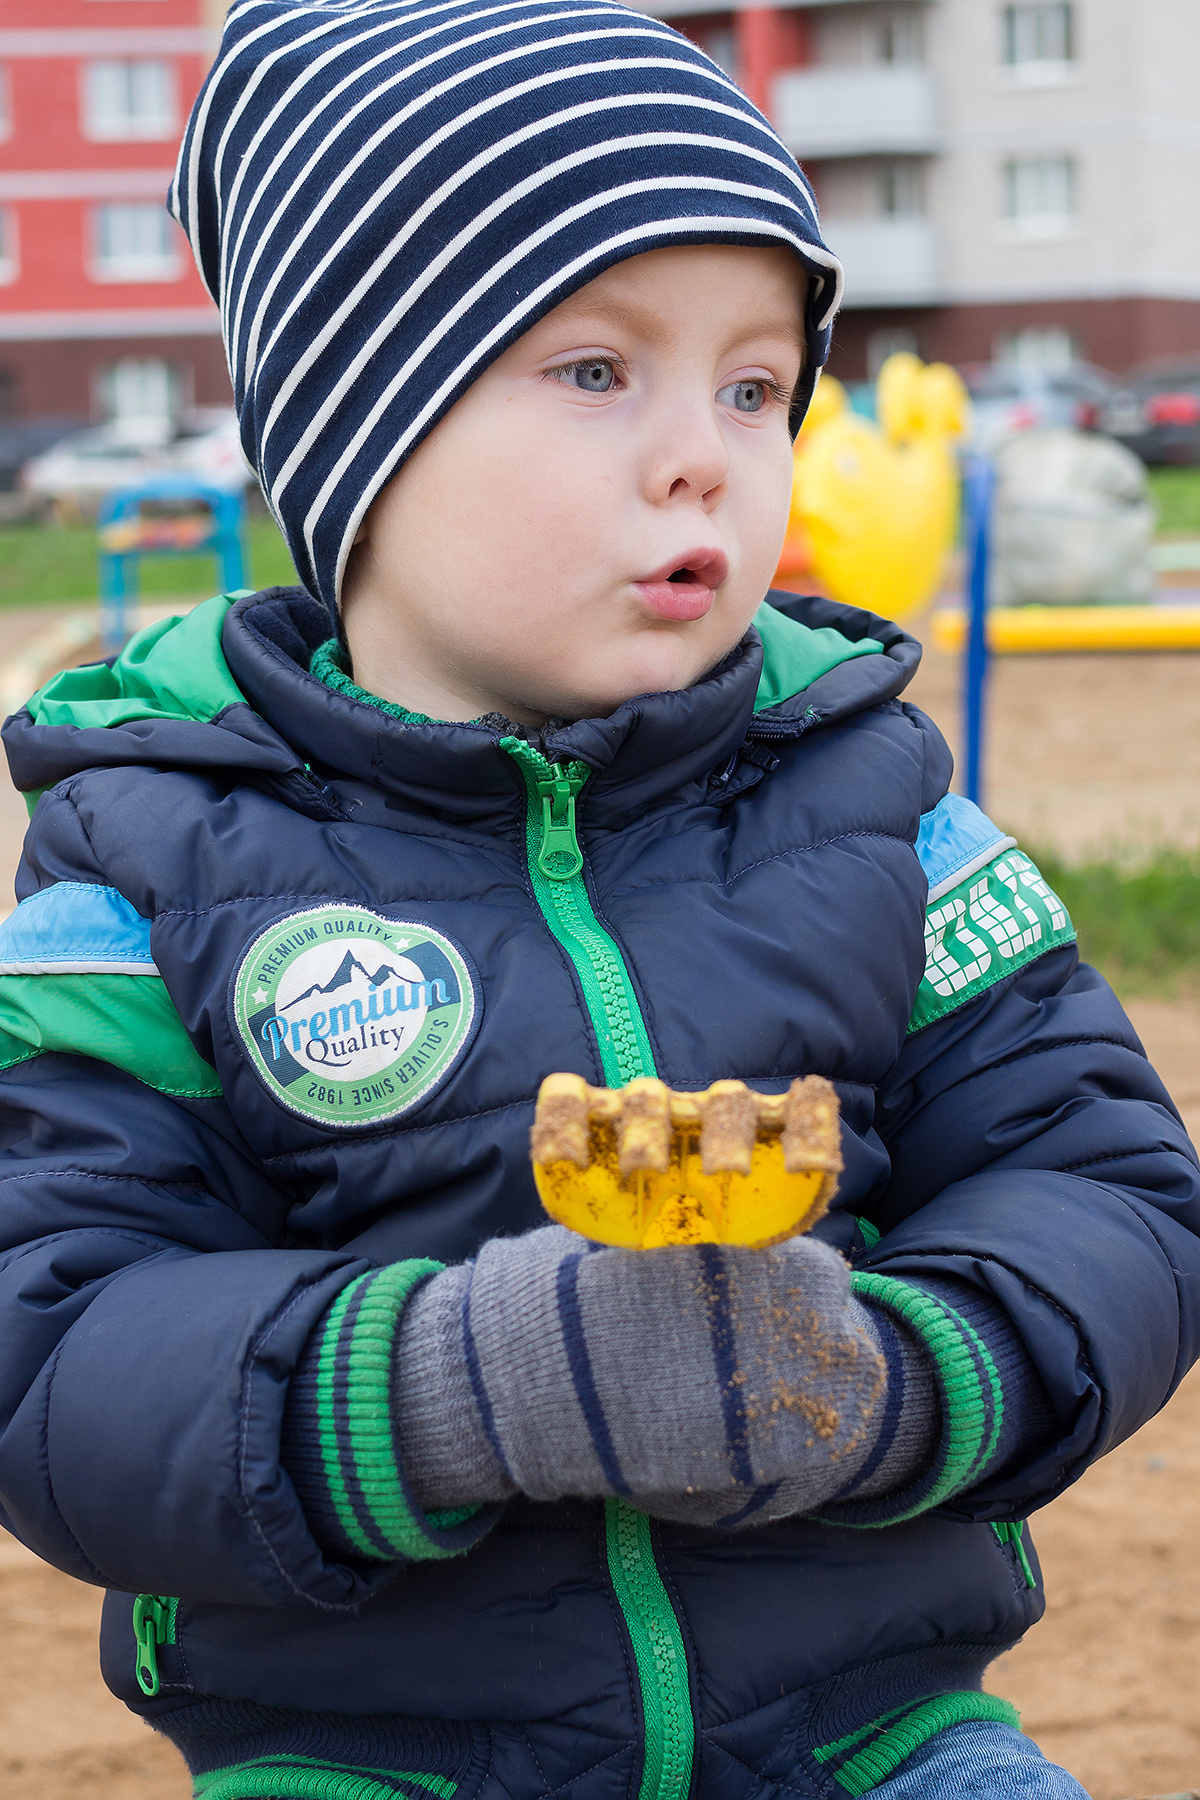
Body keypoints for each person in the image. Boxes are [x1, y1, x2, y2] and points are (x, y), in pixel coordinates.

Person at [0, 3, 1196, 1797]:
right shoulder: (157, 847)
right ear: (358, 431)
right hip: (366, 1751)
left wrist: (896, 1381)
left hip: (866, 1728)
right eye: (593, 372)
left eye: (753, 383)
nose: (707, 452)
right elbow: (56, 1333)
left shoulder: (874, 795)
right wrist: (450, 1392)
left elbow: (1107, 1185)